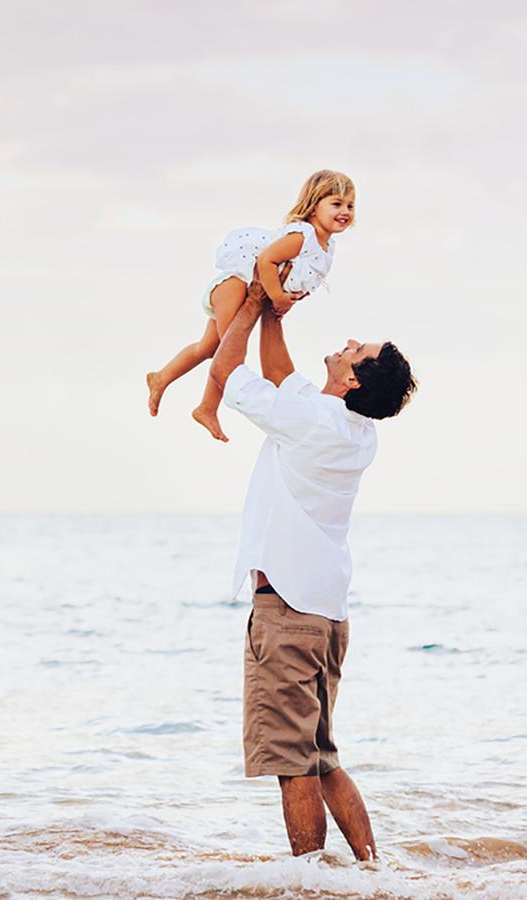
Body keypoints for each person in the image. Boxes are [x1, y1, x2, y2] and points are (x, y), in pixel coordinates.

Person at [206, 275, 417, 859]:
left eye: (358, 350)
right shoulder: (353, 430)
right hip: (325, 617)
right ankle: (372, 872)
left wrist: (247, 305)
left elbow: (230, 372)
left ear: (351, 378)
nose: (350, 343)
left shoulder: (313, 424)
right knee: (323, 759)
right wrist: (276, 314)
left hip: (289, 612)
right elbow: (281, 378)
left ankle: (311, 885)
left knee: (293, 764)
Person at [144, 170, 357, 441]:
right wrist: (278, 296)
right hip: (236, 284)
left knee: (207, 347)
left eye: (350, 205)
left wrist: (287, 299)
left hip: (242, 291)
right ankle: (207, 407)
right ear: (314, 207)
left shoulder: (327, 247)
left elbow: (301, 277)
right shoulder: (303, 236)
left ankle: (161, 377)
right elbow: (265, 260)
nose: (345, 211)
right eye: (336, 204)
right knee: (229, 353)